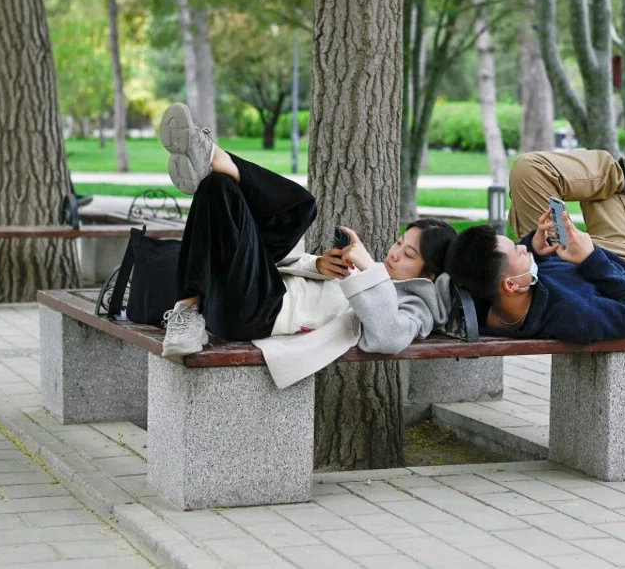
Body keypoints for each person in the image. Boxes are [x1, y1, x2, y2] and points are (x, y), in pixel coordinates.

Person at [157, 102, 460, 388]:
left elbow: (389, 337)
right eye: (398, 242)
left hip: (258, 314)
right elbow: (307, 280)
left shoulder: (419, 306)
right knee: (218, 187)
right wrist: (319, 265)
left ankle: (213, 156)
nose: (394, 253)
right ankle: (187, 307)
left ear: (429, 274)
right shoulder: (381, 276)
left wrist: (368, 269)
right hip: (251, 295)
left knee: (299, 207)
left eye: (408, 253)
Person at [447, 130, 625, 344]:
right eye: (518, 250)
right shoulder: (573, 315)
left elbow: (482, 266)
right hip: (620, 271)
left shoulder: (486, 293)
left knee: (529, 170)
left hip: (560, 258)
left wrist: (534, 247)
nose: (522, 248)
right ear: (510, 285)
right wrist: (591, 258)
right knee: (605, 191)